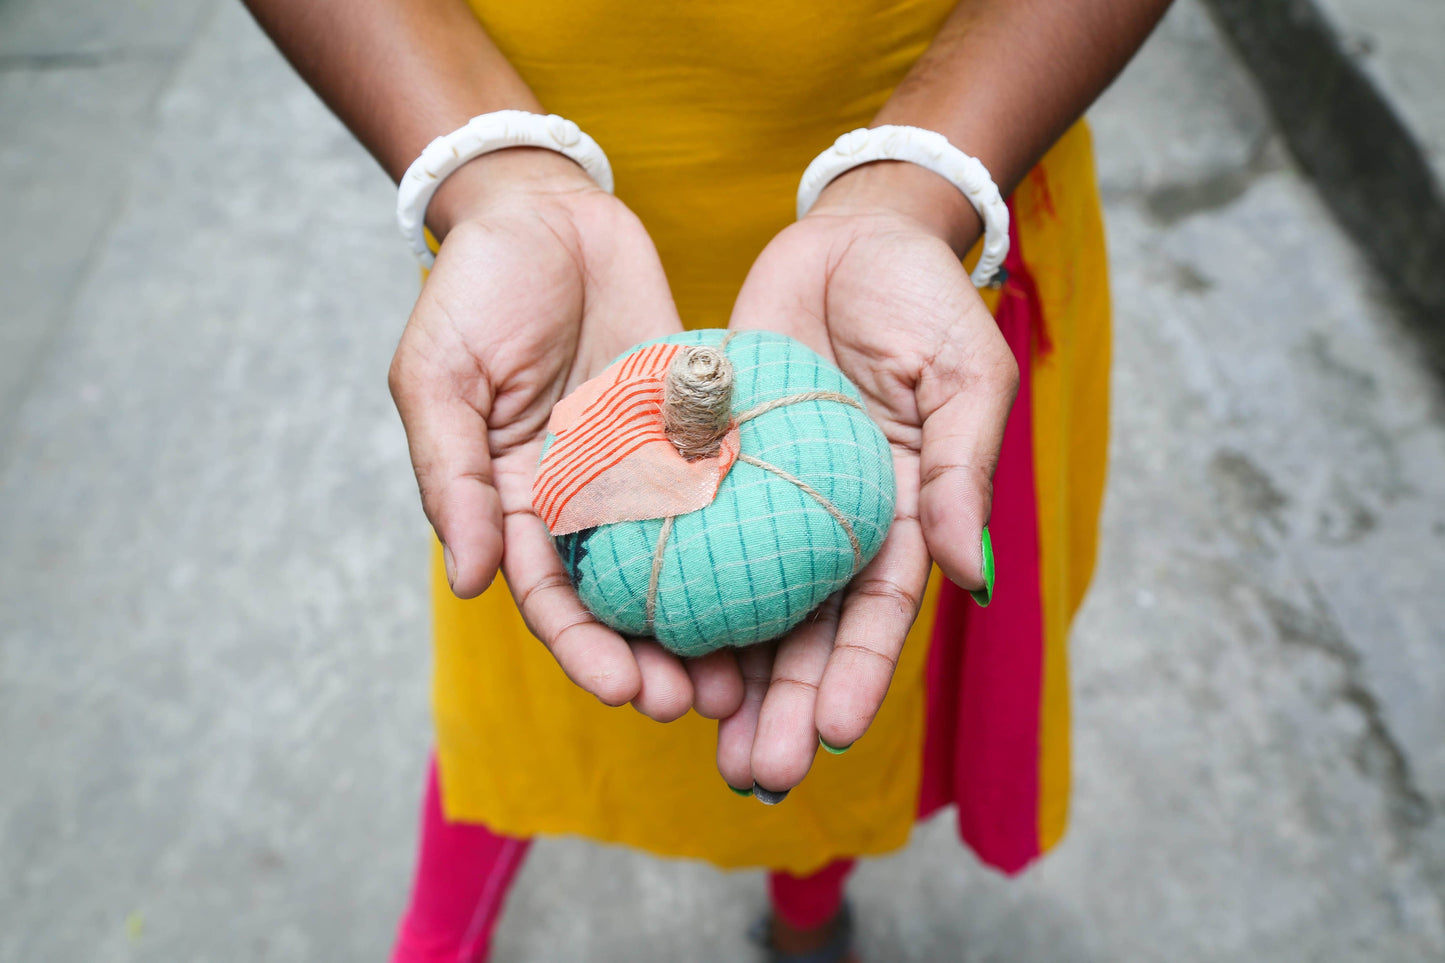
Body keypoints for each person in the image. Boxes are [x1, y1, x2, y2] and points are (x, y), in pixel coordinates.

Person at [242, 1, 1170, 959]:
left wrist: (926, 176)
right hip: (552, 287)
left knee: (842, 698)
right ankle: (440, 938)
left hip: (931, 210)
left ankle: (805, 916)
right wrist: (490, 174)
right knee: (530, 700)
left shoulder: (874, 344)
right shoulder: (550, 391)